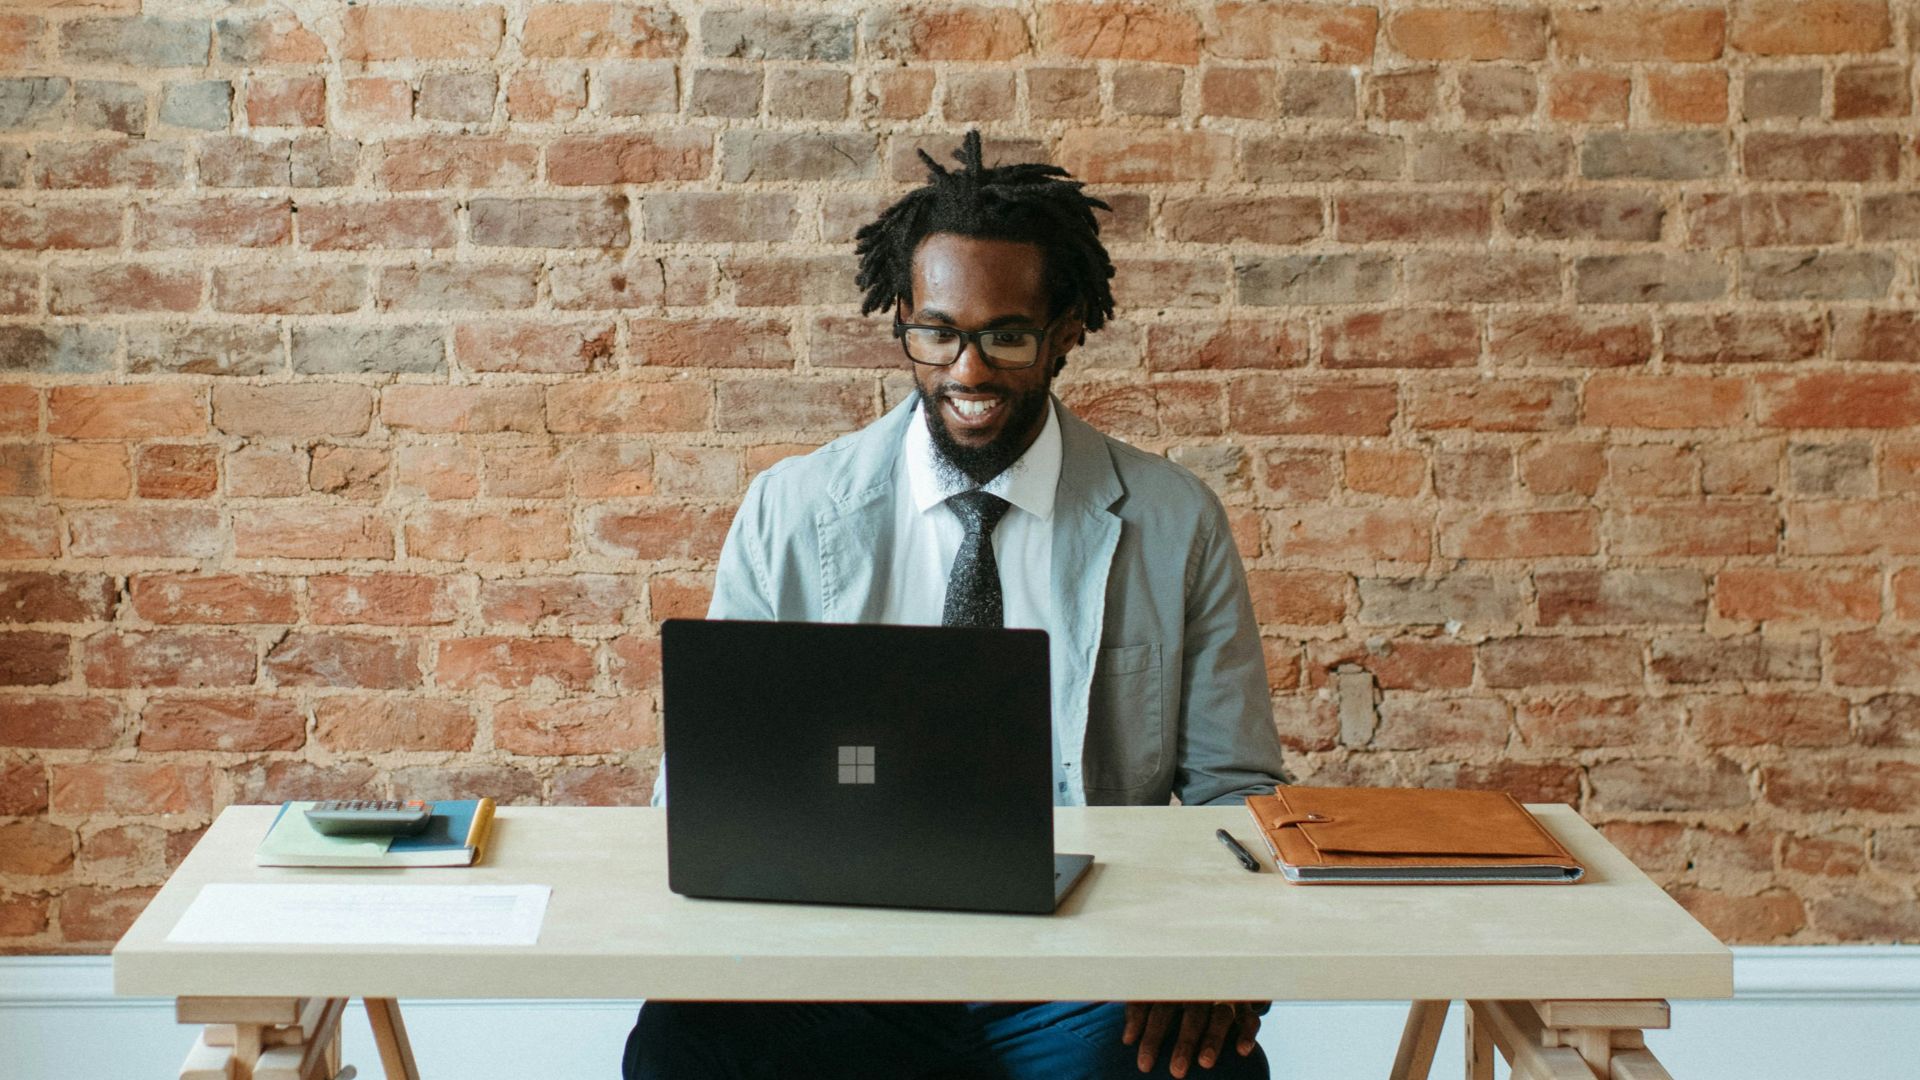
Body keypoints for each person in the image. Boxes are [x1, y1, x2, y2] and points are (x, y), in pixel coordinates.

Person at [626, 131, 1290, 1080]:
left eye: (1006, 336)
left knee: (1202, 1068)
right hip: (840, 965)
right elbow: (710, 778)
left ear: (1066, 331)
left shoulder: (1174, 521)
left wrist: (1218, 960)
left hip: (1082, 971)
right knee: (679, 1052)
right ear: (901, 319)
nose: (967, 371)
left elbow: (1239, 793)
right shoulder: (793, 507)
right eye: (936, 331)